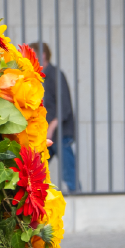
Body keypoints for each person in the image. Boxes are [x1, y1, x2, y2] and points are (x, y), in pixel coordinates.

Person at [33, 41, 79, 192]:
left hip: (60, 133)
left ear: (43, 55)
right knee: (36, 169)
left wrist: (51, 127)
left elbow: (65, 106)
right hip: (48, 135)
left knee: (68, 172)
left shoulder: (55, 75)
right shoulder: (41, 77)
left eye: (32, 54)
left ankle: (77, 197)